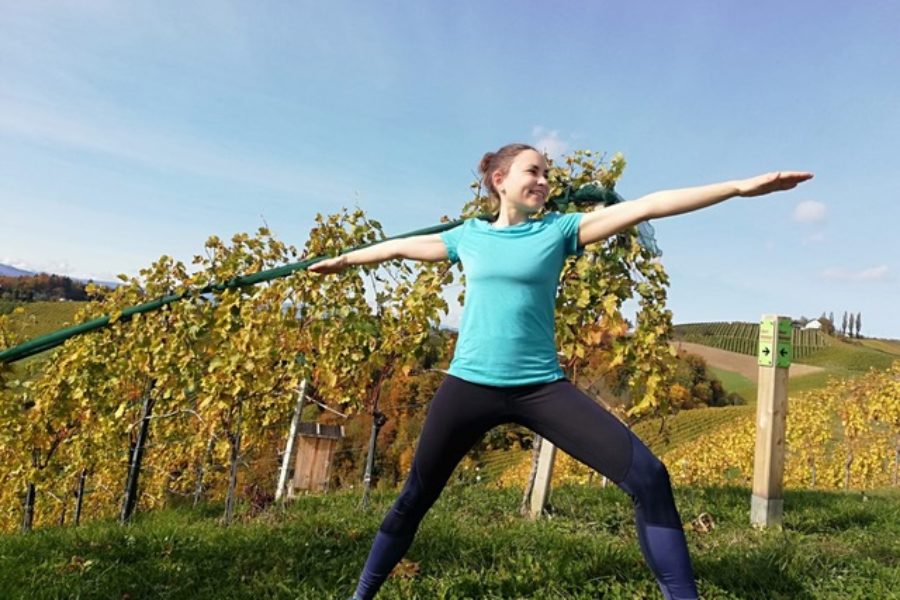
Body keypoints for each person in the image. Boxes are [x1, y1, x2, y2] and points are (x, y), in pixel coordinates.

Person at [310, 143, 813, 600]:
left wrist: (739, 187)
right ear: (499, 180)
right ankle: (361, 596)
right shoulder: (469, 237)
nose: (545, 181)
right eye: (534, 171)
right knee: (416, 496)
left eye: (548, 174)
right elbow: (397, 247)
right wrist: (345, 259)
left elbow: (648, 205)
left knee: (650, 477)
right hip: (468, 387)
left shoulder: (559, 230)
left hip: (539, 389)